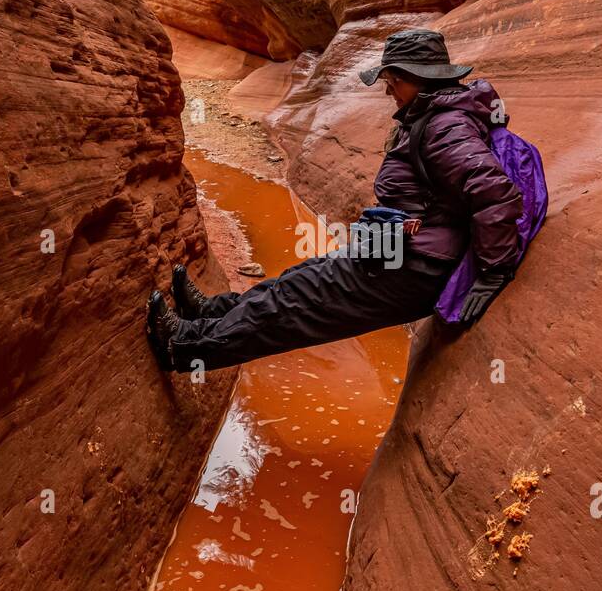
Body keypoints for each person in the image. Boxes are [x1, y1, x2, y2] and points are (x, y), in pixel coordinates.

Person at [146, 28, 523, 372]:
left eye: (391, 80)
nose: (388, 89)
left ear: (417, 78)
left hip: (419, 267)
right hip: (400, 250)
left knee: (295, 305)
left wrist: (493, 271)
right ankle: (206, 314)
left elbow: (494, 192)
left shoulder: (445, 125)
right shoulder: (434, 113)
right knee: (293, 284)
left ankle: (182, 348)